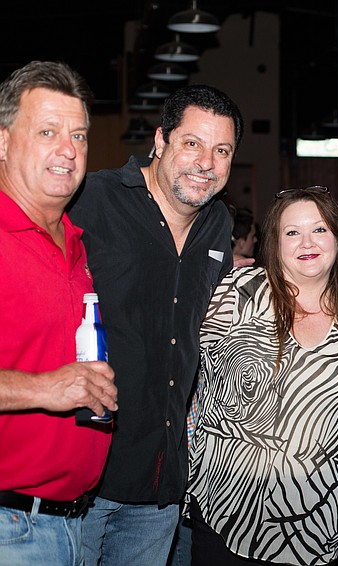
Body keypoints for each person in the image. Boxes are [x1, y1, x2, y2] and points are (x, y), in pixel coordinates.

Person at [186, 186, 338, 564]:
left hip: (319, 525)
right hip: (229, 513)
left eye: (319, 229)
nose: (307, 242)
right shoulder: (238, 293)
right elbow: (180, 362)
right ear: (274, 243)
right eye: (292, 232)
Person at [69, 84, 243, 565]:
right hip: (87, 475)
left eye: (222, 150)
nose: (206, 162)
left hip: (162, 482)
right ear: (161, 141)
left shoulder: (218, 224)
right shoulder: (92, 200)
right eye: (192, 143)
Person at [0, 60, 117, 566]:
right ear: (3, 141)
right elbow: (51, 383)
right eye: (47, 132)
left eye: (79, 135)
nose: (68, 150)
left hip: (71, 525)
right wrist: (45, 389)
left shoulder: (74, 243)